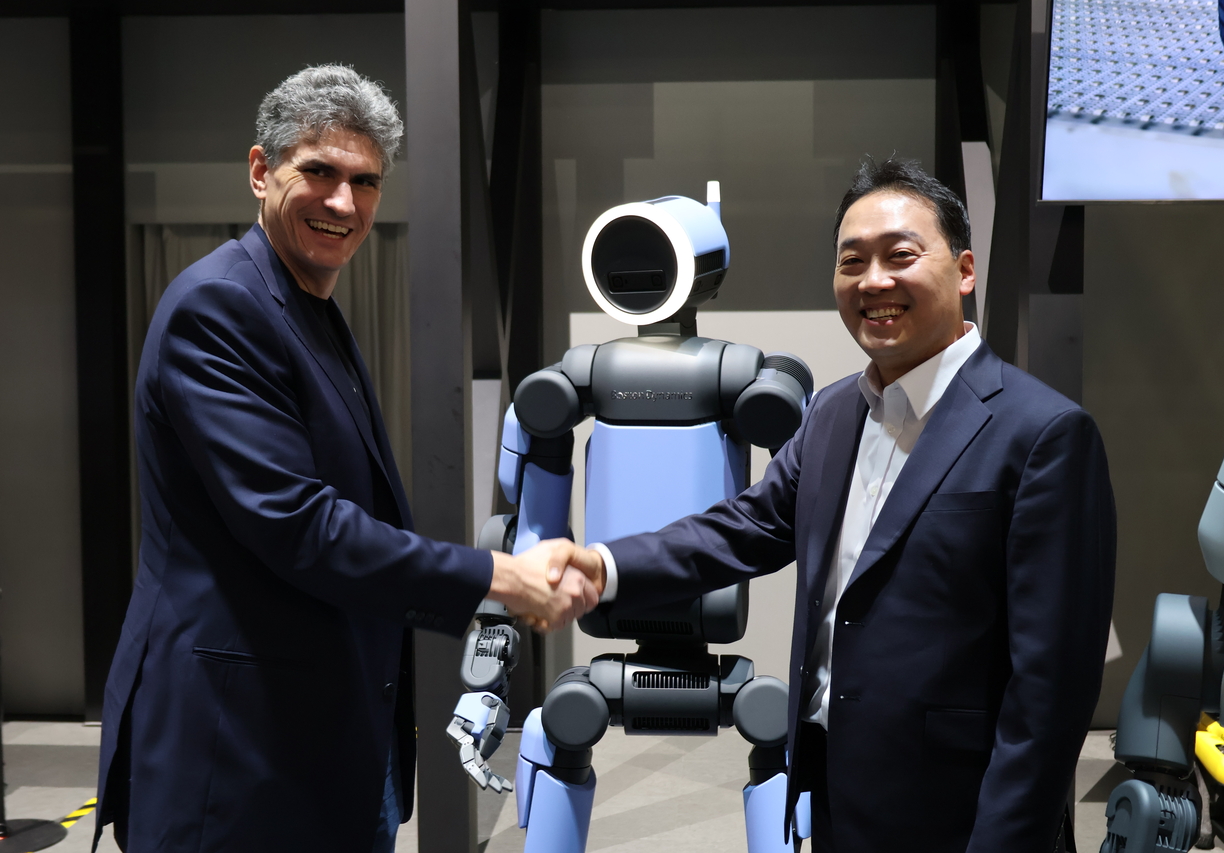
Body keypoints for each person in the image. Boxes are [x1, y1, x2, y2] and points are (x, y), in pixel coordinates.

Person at [93, 65, 597, 853]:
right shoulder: (218, 307)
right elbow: (301, 526)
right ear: (260, 171)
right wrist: (501, 577)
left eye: (365, 181)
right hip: (235, 747)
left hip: (325, 734)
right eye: (319, 171)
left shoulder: (307, 305)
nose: (343, 203)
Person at [556, 158, 1116, 852]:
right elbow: (748, 526)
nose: (873, 281)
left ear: (965, 270)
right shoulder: (831, 412)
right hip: (833, 790)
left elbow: (1051, 694)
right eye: (853, 261)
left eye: (900, 255)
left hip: (958, 815)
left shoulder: (1043, 434)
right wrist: (602, 566)